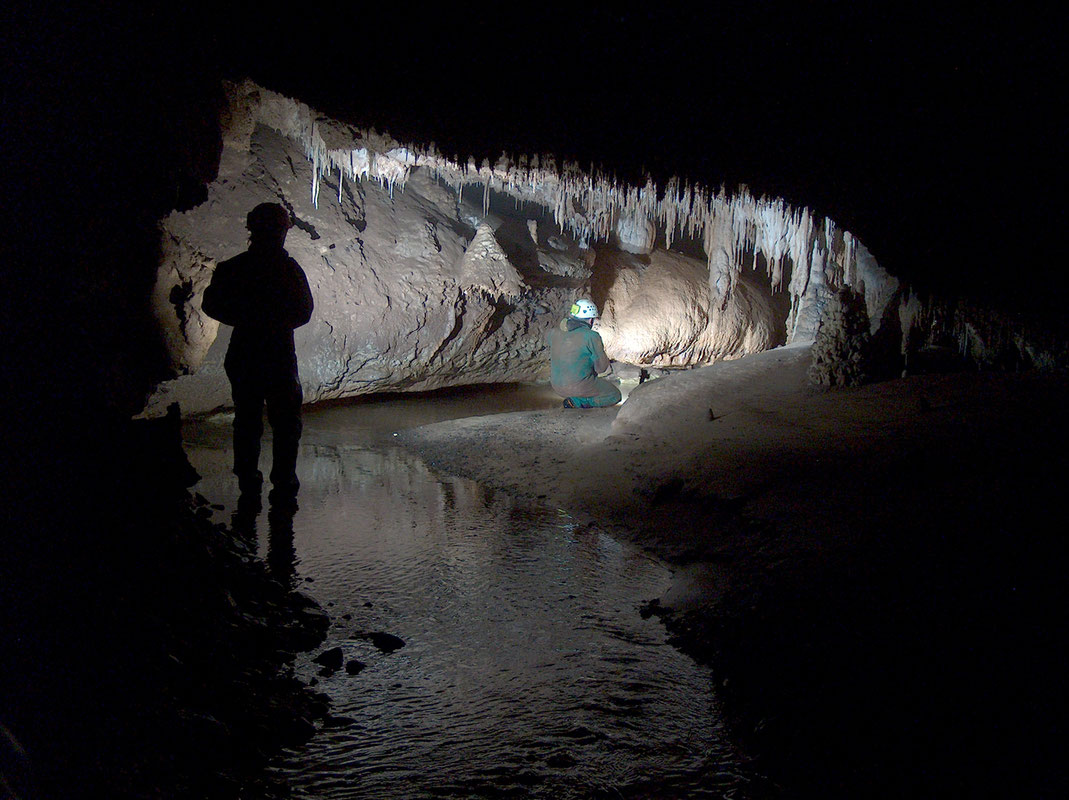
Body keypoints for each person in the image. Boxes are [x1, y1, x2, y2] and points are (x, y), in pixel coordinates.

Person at [202, 202, 314, 501]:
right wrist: (273, 320)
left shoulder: (233, 268)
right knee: (285, 421)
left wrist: (246, 317)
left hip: (245, 350)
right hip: (277, 352)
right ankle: (283, 483)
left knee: (248, 418)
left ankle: (249, 481)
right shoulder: (288, 270)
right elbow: (304, 311)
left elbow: (212, 304)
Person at [548, 298, 621, 409]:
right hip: (577, 387)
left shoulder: (553, 333)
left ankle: (575, 399)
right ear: (590, 320)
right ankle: (577, 402)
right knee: (614, 395)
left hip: (556, 386)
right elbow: (601, 369)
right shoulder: (591, 336)